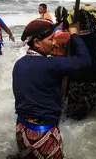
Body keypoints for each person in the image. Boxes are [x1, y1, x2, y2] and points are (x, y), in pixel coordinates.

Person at [10, 18, 91, 159]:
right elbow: (85, 62)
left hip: (21, 129)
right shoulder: (51, 65)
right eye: (50, 39)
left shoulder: (19, 64)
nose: (54, 43)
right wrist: (74, 34)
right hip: (44, 134)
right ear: (36, 42)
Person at [65, 10, 96, 120]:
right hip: (95, 74)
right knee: (92, 104)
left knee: (76, 109)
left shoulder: (75, 39)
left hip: (79, 76)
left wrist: (73, 33)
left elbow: (68, 58)